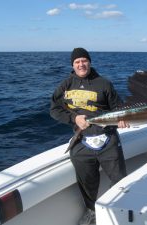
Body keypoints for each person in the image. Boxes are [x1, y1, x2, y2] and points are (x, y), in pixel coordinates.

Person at [50, 47, 129, 225]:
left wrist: (122, 119)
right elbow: (54, 109)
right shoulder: (65, 85)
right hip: (82, 141)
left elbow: (119, 108)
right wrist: (73, 118)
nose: (81, 64)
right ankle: (91, 210)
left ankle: (119, 207)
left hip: (108, 139)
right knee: (87, 182)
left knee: (120, 179)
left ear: (90, 62)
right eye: (77, 62)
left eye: (84, 60)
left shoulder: (104, 84)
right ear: (73, 65)